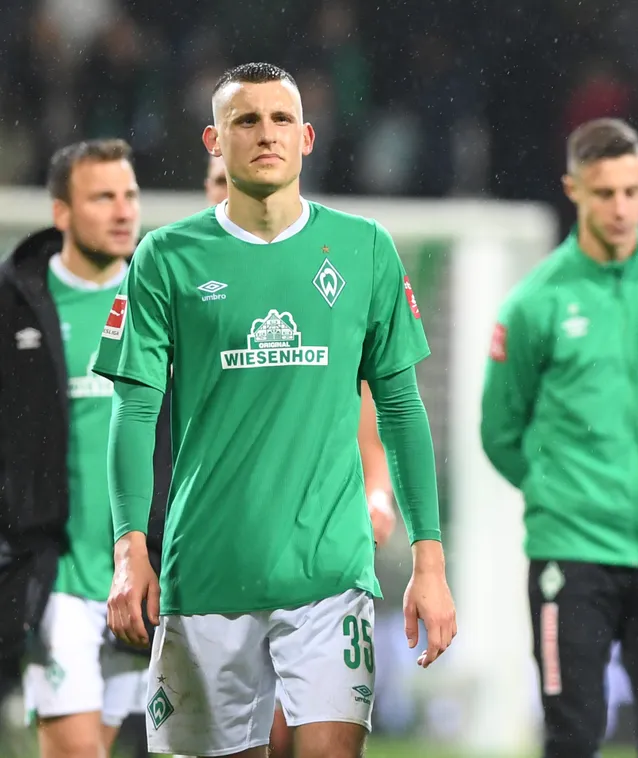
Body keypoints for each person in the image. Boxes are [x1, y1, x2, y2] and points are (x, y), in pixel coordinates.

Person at [91, 62, 457, 758]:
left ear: (308, 136)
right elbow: (133, 413)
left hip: (327, 572)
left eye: (281, 119)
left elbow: (402, 409)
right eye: (246, 120)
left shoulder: (365, 249)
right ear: (214, 140)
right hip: (203, 569)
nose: (266, 133)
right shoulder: (166, 257)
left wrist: (428, 560)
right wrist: (129, 548)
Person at [479, 117, 638, 758]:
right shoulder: (535, 303)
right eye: (604, 193)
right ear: (573, 188)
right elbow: (499, 431)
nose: (620, 208)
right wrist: (562, 494)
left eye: (632, 191)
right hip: (570, 555)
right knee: (573, 733)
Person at [199, 153, 402, 758]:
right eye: (216, 185)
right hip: (214, 551)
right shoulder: (183, 285)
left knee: (301, 730)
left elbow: (368, 411)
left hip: (313, 548)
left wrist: (378, 492)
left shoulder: (322, 275)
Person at [0, 138, 167, 758]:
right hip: (59, 575)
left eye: (129, 195)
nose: (124, 211)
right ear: (62, 213)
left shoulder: (163, 301)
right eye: (102, 197)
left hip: (143, 578)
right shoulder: (16, 304)